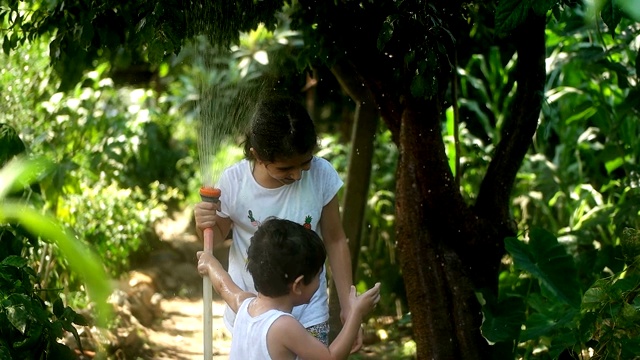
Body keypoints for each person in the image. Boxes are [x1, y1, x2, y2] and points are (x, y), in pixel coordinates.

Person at [194, 95, 358, 346]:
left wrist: (349, 305)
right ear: (257, 155)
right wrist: (203, 222)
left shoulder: (321, 175)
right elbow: (214, 237)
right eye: (284, 169)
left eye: (304, 164)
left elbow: (335, 240)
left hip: (309, 314)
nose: (296, 174)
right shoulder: (234, 182)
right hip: (252, 315)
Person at [197, 218, 381, 360]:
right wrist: (356, 313)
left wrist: (211, 265)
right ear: (298, 285)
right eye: (318, 275)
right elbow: (330, 357)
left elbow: (224, 286)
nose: (320, 281)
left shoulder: (245, 306)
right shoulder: (284, 326)